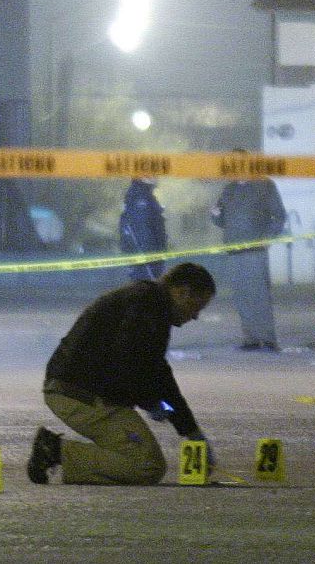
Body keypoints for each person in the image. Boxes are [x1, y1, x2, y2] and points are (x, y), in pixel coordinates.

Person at [28, 261, 216, 486]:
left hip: (81, 389)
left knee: (144, 460)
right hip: (79, 394)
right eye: (197, 306)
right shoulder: (145, 307)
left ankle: (63, 454)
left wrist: (190, 430)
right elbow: (130, 365)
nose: (195, 316)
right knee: (146, 465)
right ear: (182, 292)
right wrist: (154, 403)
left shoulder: (151, 304)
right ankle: (55, 451)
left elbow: (158, 374)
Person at [211, 170, 287, 352]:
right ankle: (251, 339)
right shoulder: (228, 190)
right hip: (234, 251)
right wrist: (214, 215)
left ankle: (268, 340)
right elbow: (222, 221)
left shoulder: (264, 185)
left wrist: (268, 237)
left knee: (259, 295)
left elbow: (279, 216)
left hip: (255, 251)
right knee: (241, 296)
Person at [117, 177, 168, 281]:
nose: (157, 176)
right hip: (147, 265)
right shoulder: (139, 198)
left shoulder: (145, 197)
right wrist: (150, 264)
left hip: (150, 262)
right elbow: (141, 234)